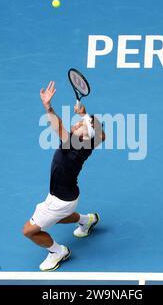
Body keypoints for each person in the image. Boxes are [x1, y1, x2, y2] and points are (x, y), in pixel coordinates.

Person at [23, 81, 106, 271]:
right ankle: (87, 220)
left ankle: (57, 252)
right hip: (69, 198)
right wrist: (85, 115)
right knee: (58, 217)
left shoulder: (73, 144)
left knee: (29, 231)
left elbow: (58, 125)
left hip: (59, 200)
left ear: (82, 138)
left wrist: (48, 107)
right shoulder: (87, 146)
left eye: (80, 126)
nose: (76, 124)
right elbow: (102, 136)